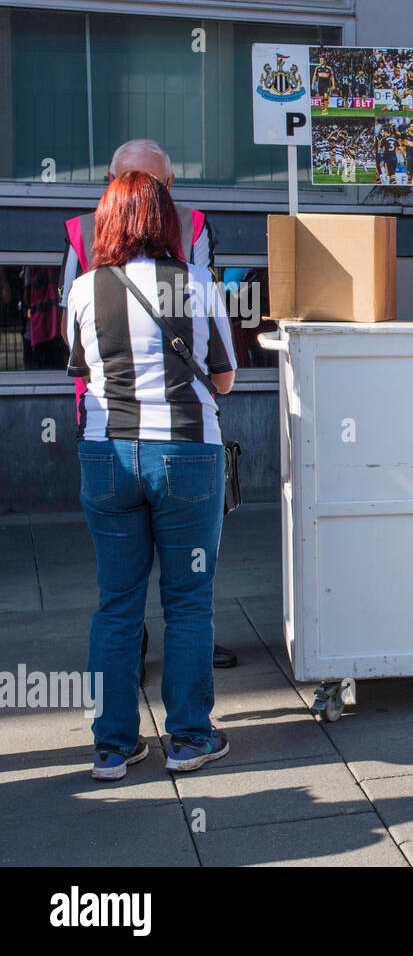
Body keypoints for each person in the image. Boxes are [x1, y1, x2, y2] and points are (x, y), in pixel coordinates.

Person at [64, 171, 237, 781]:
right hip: (187, 456)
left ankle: (112, 747)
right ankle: (189, 738)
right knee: (189, 601)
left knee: (117, 604)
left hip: (107, 458)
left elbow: (80, 370)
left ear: (107, 222)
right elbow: (224, 377)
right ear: (166, 220)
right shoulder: (196, 284)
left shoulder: (84, 289)